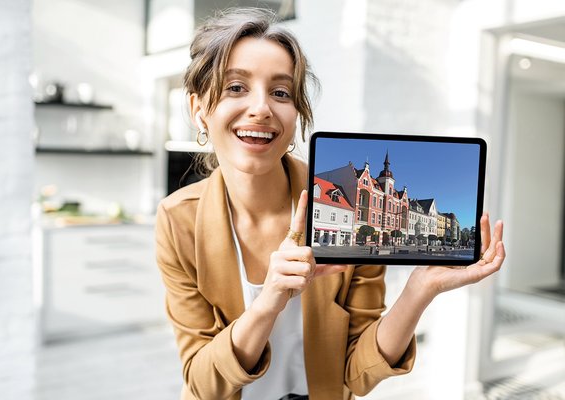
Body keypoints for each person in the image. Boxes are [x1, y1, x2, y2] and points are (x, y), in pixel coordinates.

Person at [155, 8, 505, 400]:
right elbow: (203, 385)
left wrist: (419, 290)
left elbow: (357, 374)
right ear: (198, 108)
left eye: (281, 92)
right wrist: (268, 302)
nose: (261, 108)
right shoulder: (178, 219)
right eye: (236, 87)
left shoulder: (351, 207)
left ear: (297, 115)